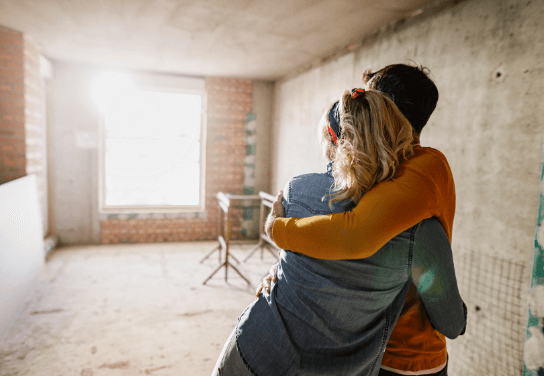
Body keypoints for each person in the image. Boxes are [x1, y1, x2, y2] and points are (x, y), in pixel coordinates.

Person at [212, 86, 466, 376]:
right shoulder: (419, 225)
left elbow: (337, 237)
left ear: (333, 141)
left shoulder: (296, 191)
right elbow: (451, 323)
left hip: (255, 350)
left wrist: (276, 234)